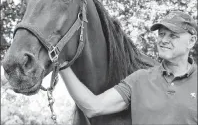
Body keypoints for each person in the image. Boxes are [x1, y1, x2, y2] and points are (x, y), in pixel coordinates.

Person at [60, 10, 197, 125]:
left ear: (191, 41)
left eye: (173, 36)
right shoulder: (139, 79)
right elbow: (93, 107)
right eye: (161, 34)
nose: (164, 40)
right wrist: (62, 66)